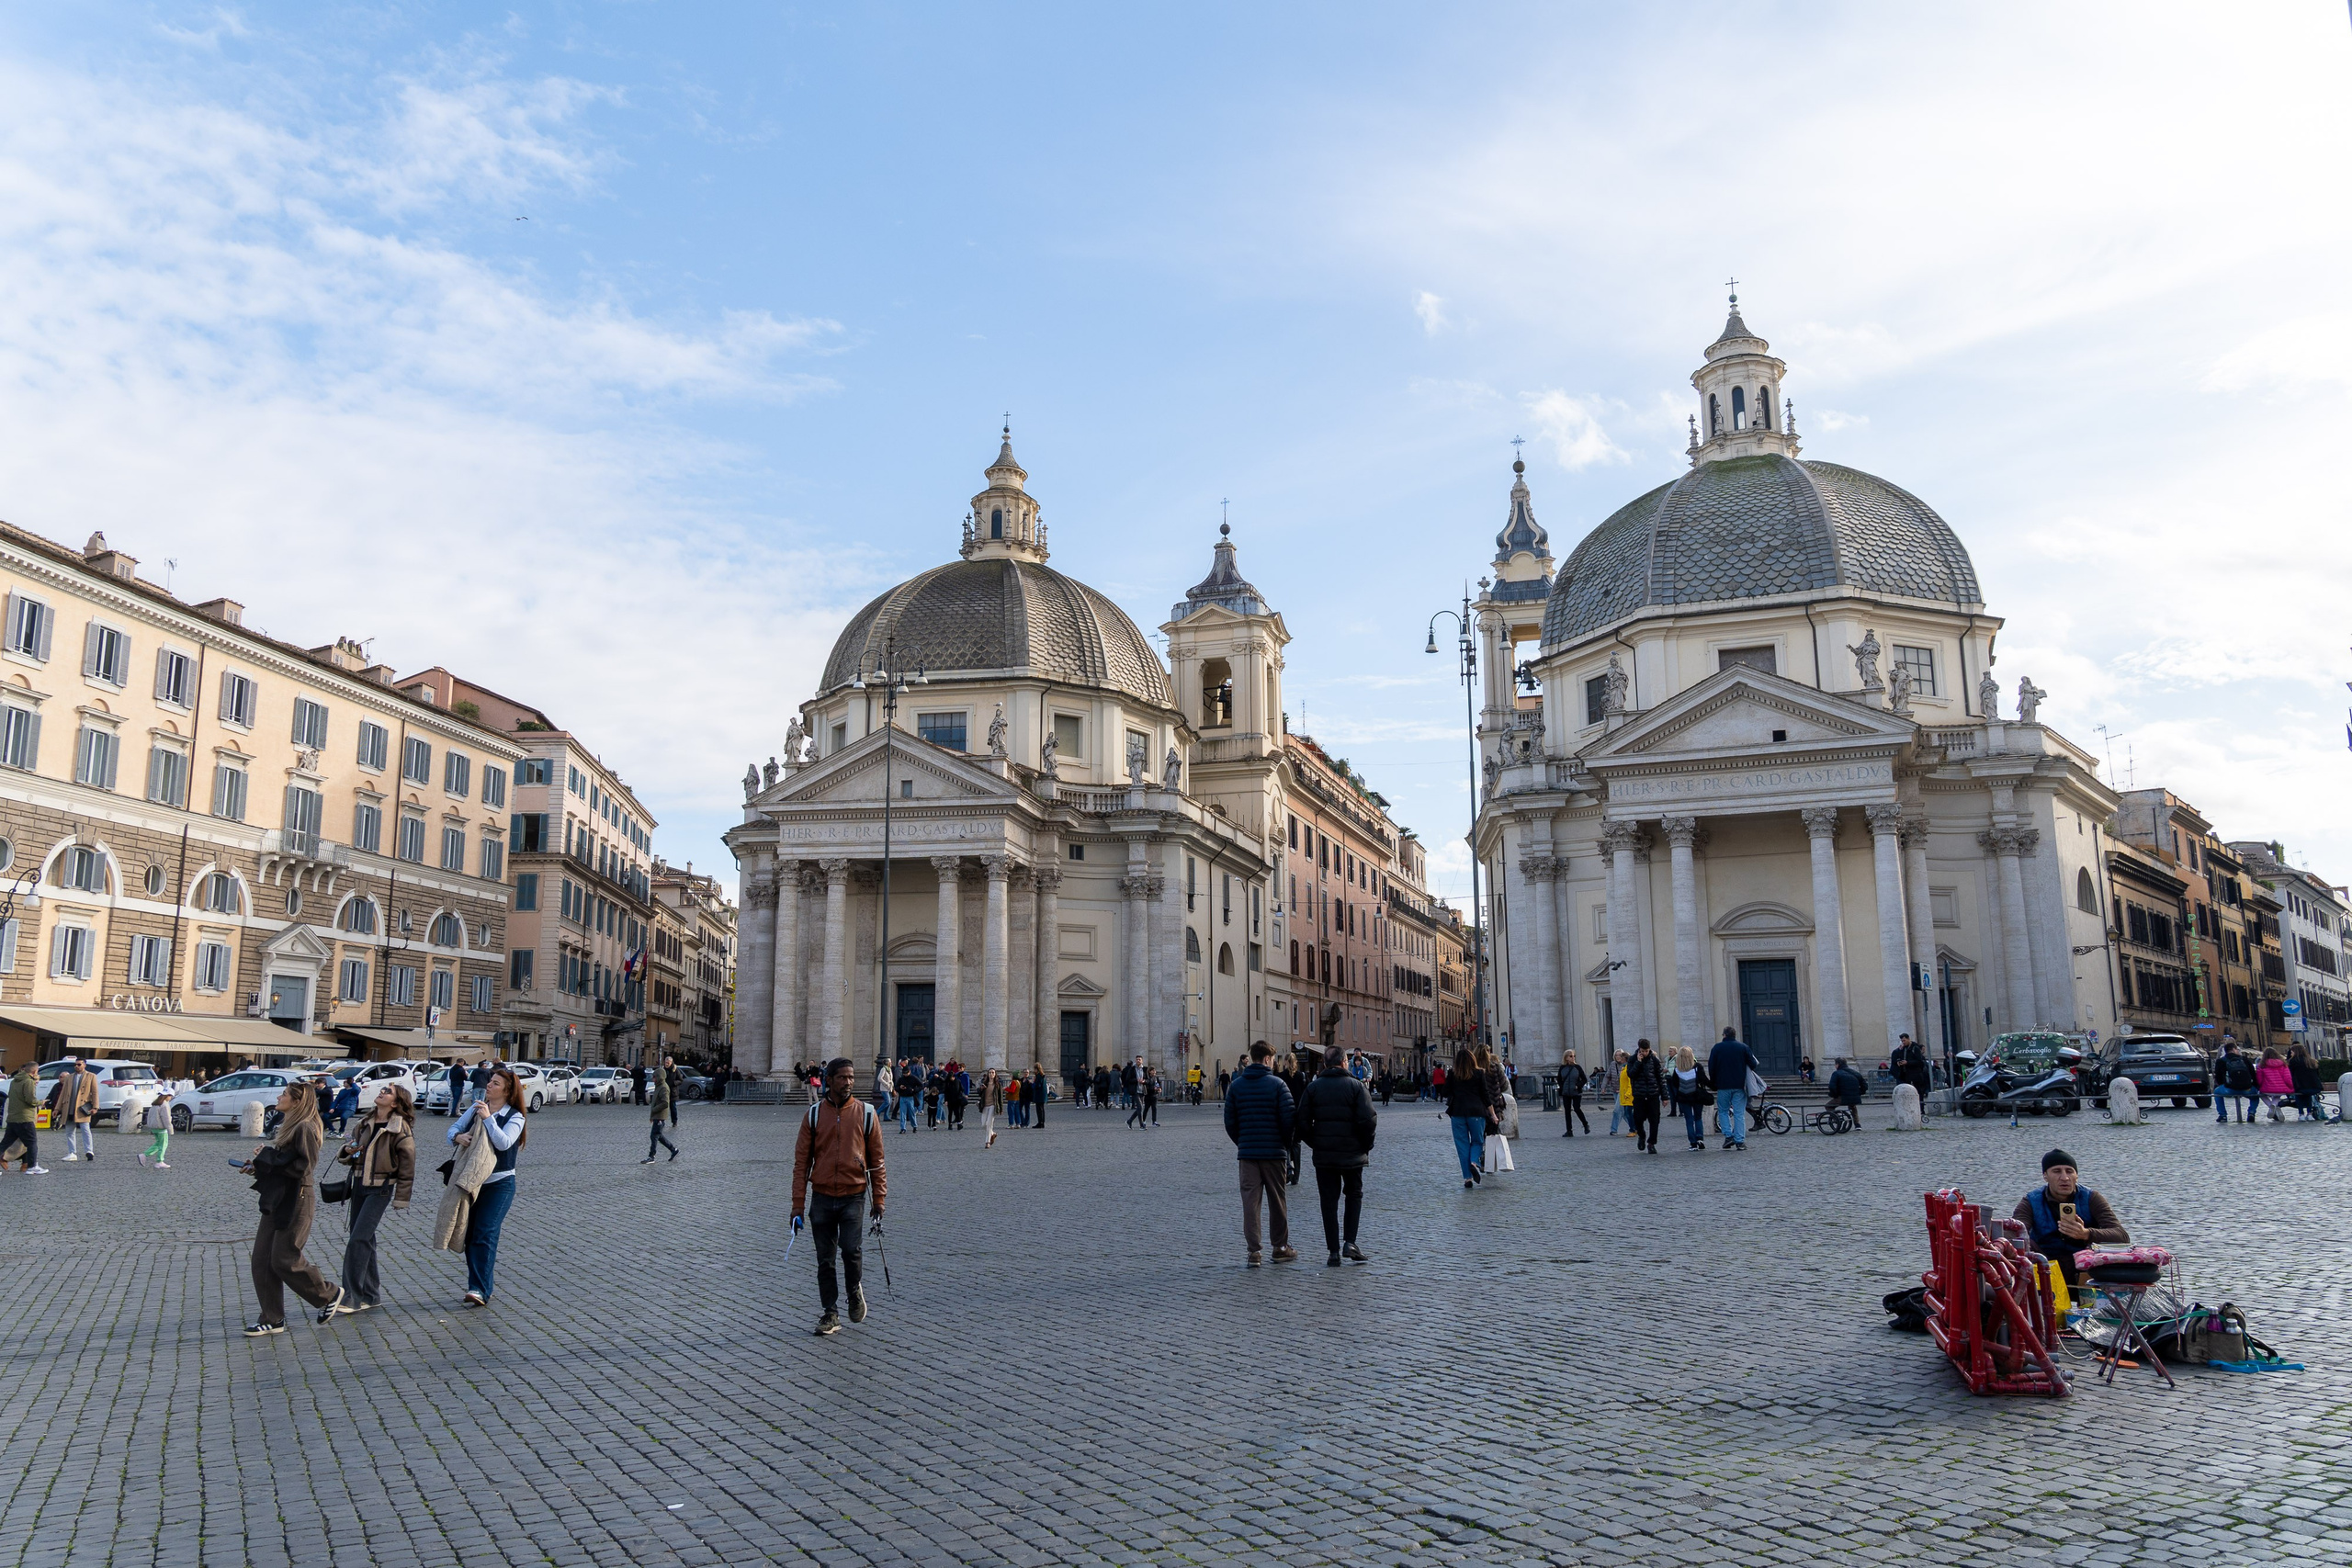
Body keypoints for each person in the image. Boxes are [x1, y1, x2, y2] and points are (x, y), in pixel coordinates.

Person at [790, 1058, 887, 1336]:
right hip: (821, 1196)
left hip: (853, 1195)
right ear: (829, 1080)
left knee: (851, 1249)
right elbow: (801, 1164)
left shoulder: (866, 1114)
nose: (848, 1082)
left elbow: (877, 1162)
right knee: (825, 1259)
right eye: (843, 1077)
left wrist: (879, 1199)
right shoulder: (813, 1116)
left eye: (851, 1077)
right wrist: (797, 1204)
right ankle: (830, 1313)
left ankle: (854, 1290)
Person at [240, 1082, 341, 1337]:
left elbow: (304, 1167)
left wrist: (268, 1158)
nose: (279, 1097)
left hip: (298, 1197)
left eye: (284, 1094)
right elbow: (283, 1164)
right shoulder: (290, 1126)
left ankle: (328, 1294)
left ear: (297, 1102)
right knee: (262, 1260)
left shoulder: (305, 1127)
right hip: (279, 1196)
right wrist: (259, 1165)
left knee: (284, 1258)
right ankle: (272, 1318)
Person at [323, 1084, 416, 1320]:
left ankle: (352, 1297)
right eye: (383, 1089)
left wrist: (402, 1198)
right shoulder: (364, 1122)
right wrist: (349, 1150)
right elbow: (352, 1153)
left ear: (395, 1103)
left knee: (358, 1239)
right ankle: (371, 1295)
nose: (382, 1092)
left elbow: (407, 1166)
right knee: (364, 1238)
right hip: (358, 1185)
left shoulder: (399, 1128)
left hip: (381, 1188)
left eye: (388, 1092)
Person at [449, 1067, 527, 1307]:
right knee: (471, 1235)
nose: (489, 1086)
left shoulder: (515, 1116)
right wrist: (457, 1137)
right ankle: (479, 1285)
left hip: (500, 1184)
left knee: (485, 1233)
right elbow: (452, 1129)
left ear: (507, 1091)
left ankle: (480, 1289)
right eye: (490, 1082)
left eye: (495, 1083)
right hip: (473, 1182)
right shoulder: (476, 1108)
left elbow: (504, 1143)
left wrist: (488, 1118)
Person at [1296, 1046, 1377, 1265]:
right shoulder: (1357, 1087)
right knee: (1354, 1195)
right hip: (1353, 1154)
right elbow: (1369, 1120)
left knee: (1328, 1201)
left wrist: (1316, 1143)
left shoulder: (1313, 1088)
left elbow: (1302, 1123)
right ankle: (1350, 1242)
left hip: (1325, 1156)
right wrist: (1365, 1145)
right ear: (1344, 1062)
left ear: (1325, 1064)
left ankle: (1333, 1251)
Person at [1223, 1041, 1296, 1265]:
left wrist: (1242, 1142)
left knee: (1250, 1203)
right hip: (1274, 1153)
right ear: (1267, 1059)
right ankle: (1280, 1247)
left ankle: (1254, 1251)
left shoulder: (1236, 1086)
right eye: (1273, 1059)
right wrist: (1285, 1145)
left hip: (1248, 1154)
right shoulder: (1278, 1085)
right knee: (1278, 1201)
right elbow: (1289, 1121)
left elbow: (1230, 1122)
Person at [2012, 1149, 2128, 1287]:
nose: (2065, 1178)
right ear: (2045, 1176)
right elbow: (2015, 1234)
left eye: (2069, 1171)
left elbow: (2122, 1236)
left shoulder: (2092, 1198)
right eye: (2057, 1171)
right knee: (2024, 1243)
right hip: (2045, 1264)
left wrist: (2086, 1234)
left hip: (2084, 1266)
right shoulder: (2031, 1201)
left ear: (2076, 1176)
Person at [1442, 1047, 1491, 1189]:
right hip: (1476, 1113)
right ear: (1472, 1059)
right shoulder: (1479, 1073)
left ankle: (1467, 1179)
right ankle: (1474, 1162)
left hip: (1458, 1113)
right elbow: (1485, 1094)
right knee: (1477, 1141)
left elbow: (1445, 1092)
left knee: (1462, 1146)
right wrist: (1493, 1114)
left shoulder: (1453, 1074)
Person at [1709, 1027, 1758, 1151]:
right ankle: (1740, 1141)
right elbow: (1753, 1064)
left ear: (1725, 1035)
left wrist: (1713, 1083)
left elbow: (1711, 1067)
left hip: (1723, 1085)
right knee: (1739, 1113)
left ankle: (1728, 1136)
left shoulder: (1717, 1048)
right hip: (1739, 1086)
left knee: (1723, 1111)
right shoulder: (1743, 1047)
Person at [51, 1058, 98, 1162]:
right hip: (69, 1107)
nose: (76, 1066)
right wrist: (57, 1108)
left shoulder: (91, 1076)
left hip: (83, 1108)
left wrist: (95, 1107)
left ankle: (89, 1151)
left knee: (86, 1130)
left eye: (79, 1064)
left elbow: (95, 1092)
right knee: (69, 1131)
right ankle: (72, 1152)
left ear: (84, 1065)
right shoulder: (69, 1077)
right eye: (75, 1064)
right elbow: (63, 1093)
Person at [3, 1062, 44, 1174]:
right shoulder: (28, 1081)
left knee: (5, 1143)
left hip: (13, 1117)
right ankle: (32, 1167)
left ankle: (27, 1165)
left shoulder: (14, 1081)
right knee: (32, 1143)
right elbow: (30, 1100)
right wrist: (41, 1102)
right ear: (35, 1071)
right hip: (25, 1117)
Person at [1668, 1047, 1710, 1150]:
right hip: (1697, 1096)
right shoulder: (1697, 1067)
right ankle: (1699, 1138)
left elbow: (1675, 1084)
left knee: (1689, 1120)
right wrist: (1714, 1086)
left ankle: (1693, 1143)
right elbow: (1704, 1080)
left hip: (1684, 1097)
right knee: (1698, 1118)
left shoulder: (1677, 1070)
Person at [2215, 1041, 2258, 1123]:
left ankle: (2223, 1115)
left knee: (2217, 1092)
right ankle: (2251, 1113)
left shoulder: (2221, 1061)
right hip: (2247, 1089)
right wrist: (2253, 1086)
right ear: (2233, 1049)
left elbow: (2218, 1077)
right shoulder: (2245, 1059)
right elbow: (2253, 1074)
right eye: (2237, 1049)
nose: (2238, 1051)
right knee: (2255, 1096)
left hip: (2229, 1089)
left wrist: (2224, 1085)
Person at [645, 1067, 680, 1162]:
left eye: (654, 1077)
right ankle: (673, 1150)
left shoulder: (664, 1088)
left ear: (659, 1077)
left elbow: (665, 1103)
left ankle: (652, 1156)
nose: (653, 1079)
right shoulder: (658, 1086)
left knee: (654, 1135)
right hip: (657, 1115)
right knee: (658, 1135)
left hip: (660, 1116)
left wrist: (654, 1110)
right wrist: (652, 1115)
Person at [2288, 1042, 2324, 1121]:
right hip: (2314, 1086)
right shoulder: (2311, 1061)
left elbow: (2290, 1074)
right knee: (2308, 1096)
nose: (2291, 1054)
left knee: (2299, 1096)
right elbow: (2317, 1074)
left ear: (2296, 1052)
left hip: (2300, 1086)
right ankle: (2309, 1114)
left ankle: (2301, 1114)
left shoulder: (2293, 1061)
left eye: (2292, 1052)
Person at [1827, 1057, 1868, 1127]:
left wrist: (1835, 1095)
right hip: (1854, 1097)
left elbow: (1832, 1087)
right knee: (1852, 1107)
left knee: (1828, 1106)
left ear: (1838, 1065)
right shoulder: (1855, 1073)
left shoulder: (1836, 1073)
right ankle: (1857, 1124)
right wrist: (1859, 1093)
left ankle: (1837, 1119)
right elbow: (1865, 1085)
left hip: (1843, 1097)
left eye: (1835, 1064)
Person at [136, 1092, 172, 1169]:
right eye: (170, 1096)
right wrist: (170, 1129)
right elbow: (166, 1118)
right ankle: (159, 1161)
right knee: (163, 1145)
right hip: (161, 1128)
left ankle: (144, 1155)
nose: (171, 1098)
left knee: (158, 1144)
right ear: (167, 1096)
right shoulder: (164, 1105)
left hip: (155, 1127)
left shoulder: (155, 1104)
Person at [1559, 1056, 1590, 1136]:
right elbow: (1559, 1079)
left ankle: (1585, 1124)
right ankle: (1569, 1131)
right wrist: (1563, 1087)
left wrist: (1578, 1086)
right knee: (1567, 1111)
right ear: (1566, 1058)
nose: (1573, 1057)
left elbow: (1584, 1079)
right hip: (1566, 1092)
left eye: (1574, 1056)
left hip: (1576, 1092)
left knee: (1577, 1108)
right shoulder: (1562, 1068)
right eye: (1571, 1056)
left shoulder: (1577, 1067)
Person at [978, 1068, 1006, 1148]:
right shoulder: (984, 1084)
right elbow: (980, 1094)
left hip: (993, 1105)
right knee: (983, 1124)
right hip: (985, 1105)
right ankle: (993, 1134)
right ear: (988, 1074)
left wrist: (1001, 1108)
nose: (991, 1074)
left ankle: (987, 1142)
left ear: (995, 1074)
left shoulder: (998, 1085)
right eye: (990, 1072)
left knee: (989, 1124)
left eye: (993, 1072)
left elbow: (1000, 1097)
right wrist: (981, 1089)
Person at [1608, 1051, 1633, 1137]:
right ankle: (1634, 1127)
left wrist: (1627, 1093)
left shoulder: (1628, 1068)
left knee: (1617, 1110)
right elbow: (1608, 1076)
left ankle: (1614, 1129)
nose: (1618, 1057)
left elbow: (1630, 1082)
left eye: (1620, 1056)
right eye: (1617, 1055)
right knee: (1626, 1113)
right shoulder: (1621, 1067)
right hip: (1620, 1091)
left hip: (1625, 1093)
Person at [662, 1057, 683, 1127]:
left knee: (673, 1108)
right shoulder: (663, 1069)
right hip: (664, 1091)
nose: (666, 1064)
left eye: (668, 1063)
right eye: (666, 1062)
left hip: (673, 1092)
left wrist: (674, 1083)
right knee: (663, 1108)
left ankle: (674, 1121)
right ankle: (662, 1121)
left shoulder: (675, 1070)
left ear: (671, 1062)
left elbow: (681, 1080)